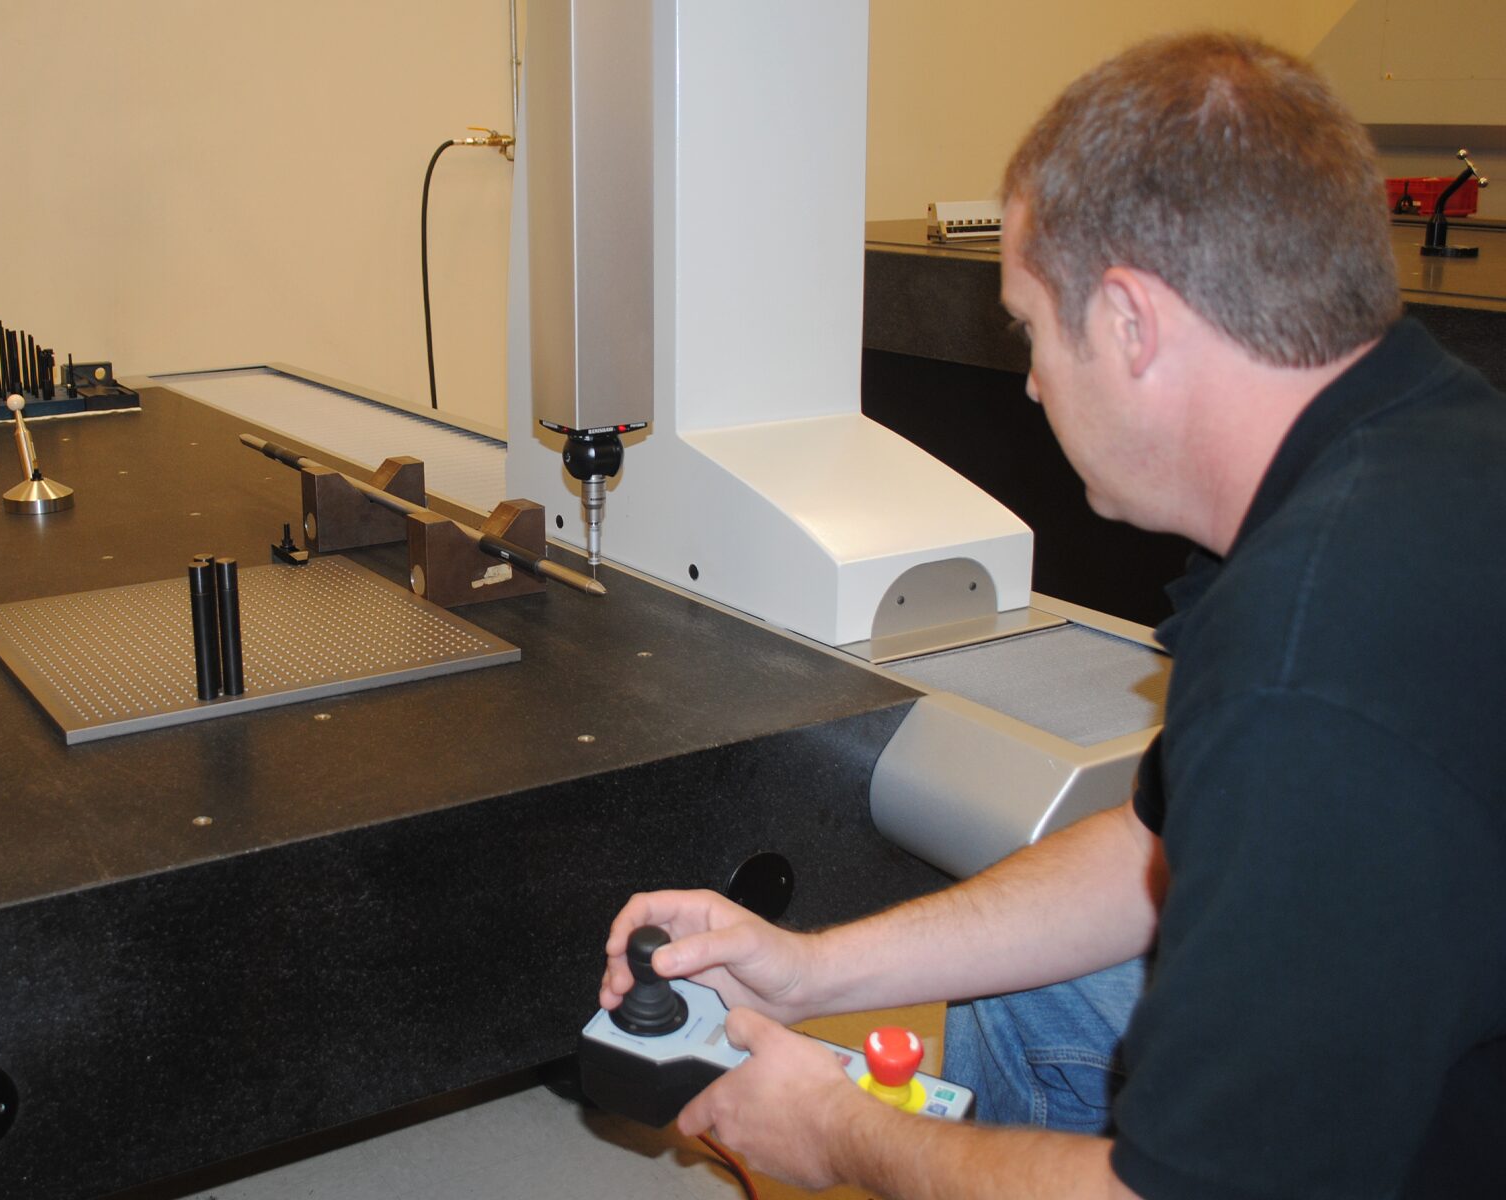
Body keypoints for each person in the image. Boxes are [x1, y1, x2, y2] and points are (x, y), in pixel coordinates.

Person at [598, 30, 1506, 1200]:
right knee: (1042, 997)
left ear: (1128, 321)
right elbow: (1157, 846)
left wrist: (832, 1134)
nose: (1028, 382)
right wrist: (812, 970)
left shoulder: (1309, 657)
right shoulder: (1434, 435)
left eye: (1029, 329)